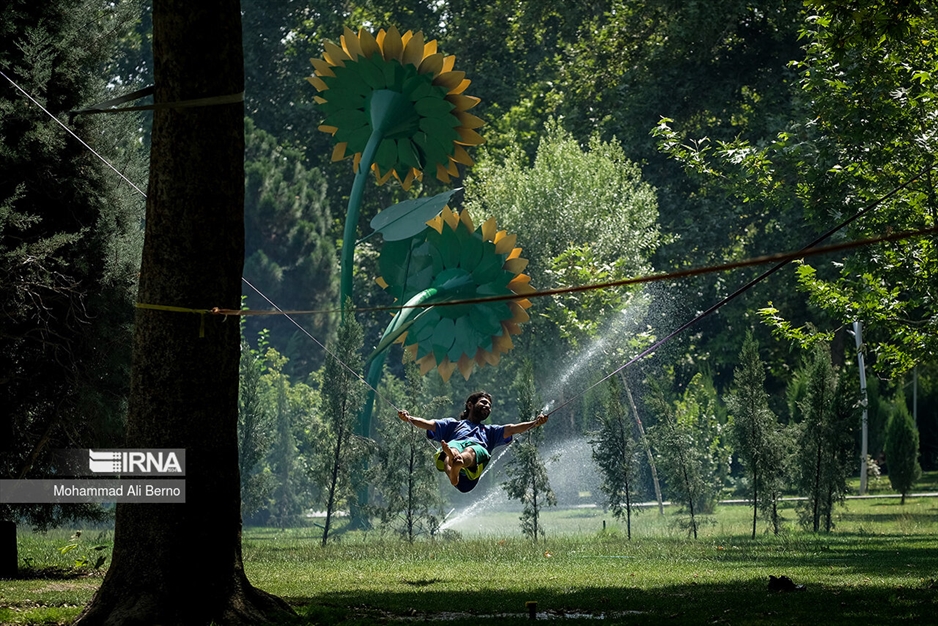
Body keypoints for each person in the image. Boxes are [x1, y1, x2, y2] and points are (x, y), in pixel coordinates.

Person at [397, 391, 548, 493]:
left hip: (471, 472)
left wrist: (536, 422)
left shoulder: (490, 431)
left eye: (489, 405)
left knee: (469, 450)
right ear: (470, 405)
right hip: (454, 455)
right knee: (451, 447)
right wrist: (408, 418)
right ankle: (455, 467)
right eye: (483, 402)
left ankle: (458, 462)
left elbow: (513, 429)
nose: (487, 406)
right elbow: (428, 424)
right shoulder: (452, 425)